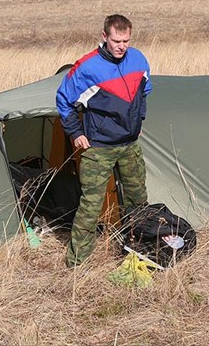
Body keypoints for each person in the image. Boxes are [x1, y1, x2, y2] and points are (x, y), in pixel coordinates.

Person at [56, 14, 152, 267]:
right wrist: (76, 133)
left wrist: (139, 122)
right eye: (116, 40)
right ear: (104, 37)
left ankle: (137, 253)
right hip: (99, 148)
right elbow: (63, 101)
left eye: (126, 41)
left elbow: (145, 92)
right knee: (90, 206)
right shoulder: (87, 67)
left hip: (129, 145)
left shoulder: (139, 60)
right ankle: (76, 263)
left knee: (138, 201)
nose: (121, 46)